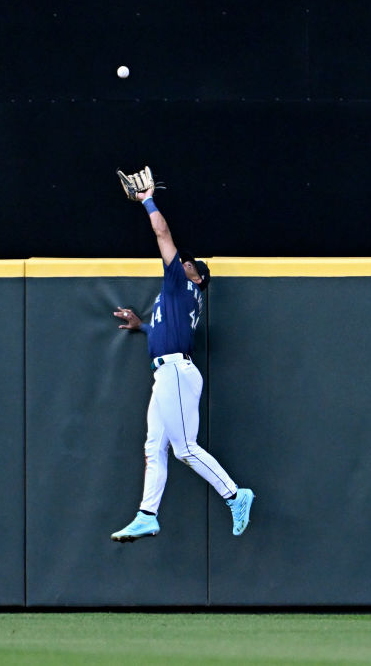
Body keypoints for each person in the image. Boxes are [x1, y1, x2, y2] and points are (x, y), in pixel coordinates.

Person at [110, 183, 254, 543]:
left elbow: (161, 232)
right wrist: (140, 325)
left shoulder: (181, 284)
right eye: (182, 260)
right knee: (152, 447)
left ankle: (236, 495)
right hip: (167, 371)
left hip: (176, 371)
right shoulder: (175, 296)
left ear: (198, 277)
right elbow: (166, 331)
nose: (181, 262)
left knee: (185, 449)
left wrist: (147, 201)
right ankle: (147, 514)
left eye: (189, 263)